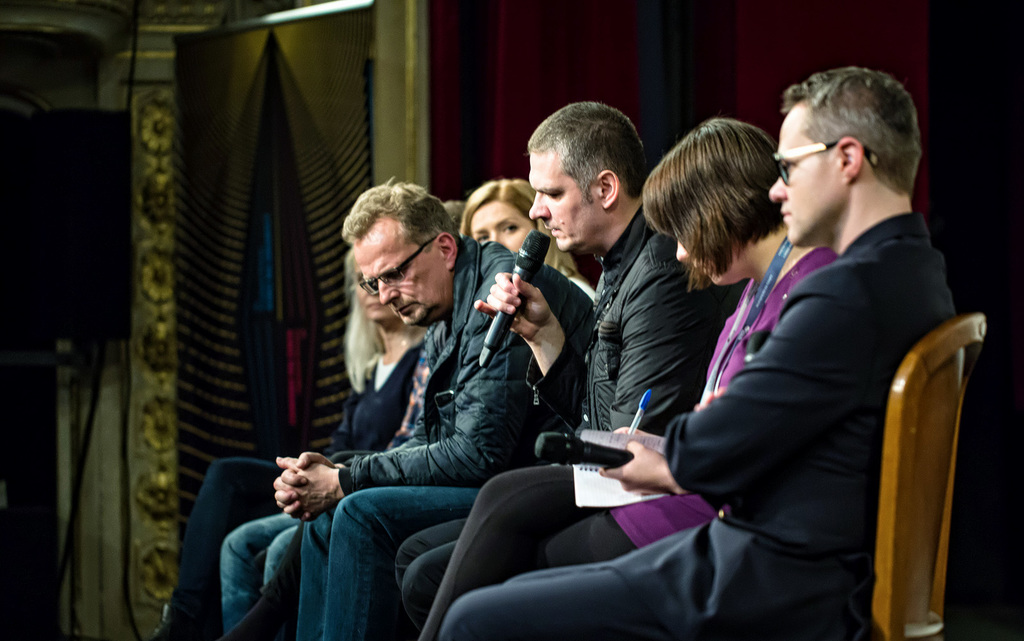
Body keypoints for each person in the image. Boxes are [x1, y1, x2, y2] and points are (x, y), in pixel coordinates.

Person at [437, 66, 956, 641]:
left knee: (477, 616)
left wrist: (672, 450)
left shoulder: (846, 291)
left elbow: (721, 444)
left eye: (788, 167)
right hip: (783, 554)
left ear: (848, 159)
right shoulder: (916, 270)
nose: (777, 189)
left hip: (769, 572)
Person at [399, 116, 835, 639]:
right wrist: (545, 338)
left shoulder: (673, 270)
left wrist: (685, 444)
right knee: (463, 542)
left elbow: (670, 438)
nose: (680, 250)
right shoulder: (737, 288)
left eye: (550, 194)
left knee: (478, 572)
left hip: (699, 514)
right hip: (686, 494)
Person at [274, 181, 593, 641]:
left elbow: (478, 455)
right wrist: (342, 473)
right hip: (504, 474)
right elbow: (435, 437)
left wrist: (348, 480)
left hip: (545, 482)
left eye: (394, 274)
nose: (385, 295)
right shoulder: (441, 305)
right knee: (332, 507)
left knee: (359, 511)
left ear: (444, 248)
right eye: (373, 282)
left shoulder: (495, 294)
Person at [146, 249, 426, 641]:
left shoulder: (422, 358)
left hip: (363, 483)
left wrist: (330, 473)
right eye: (363, 281)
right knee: (227, 477)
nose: (372, 291)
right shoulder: (368, 365)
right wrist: (307, 473)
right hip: (339, 472)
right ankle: (183, 616)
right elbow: (340, 442)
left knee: (246, 543)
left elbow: (408, 448)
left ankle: (207, 625)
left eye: (385, 277)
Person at [461, 177, 596, 299]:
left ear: (540, 228)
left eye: (510, 228)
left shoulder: (576, 296)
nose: (494, 244)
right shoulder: (476, 302)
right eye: (483, 237)